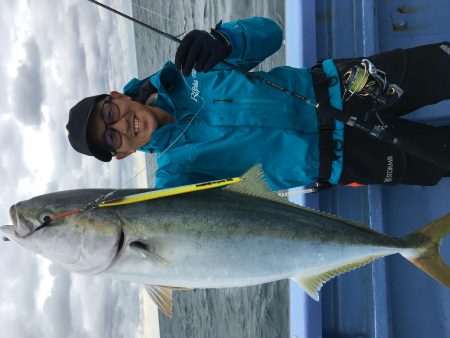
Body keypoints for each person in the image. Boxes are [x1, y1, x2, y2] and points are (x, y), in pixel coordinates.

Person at [66, 17, 450, 190]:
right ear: (122, 155)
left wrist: (226, 40)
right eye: (112, 139)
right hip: (345, 158)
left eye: (110, 115)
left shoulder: (187, 69)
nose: (121, 126)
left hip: (344, 86)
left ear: (115, 96)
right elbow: (178, 232)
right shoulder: (175, 175)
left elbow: (271, 34)